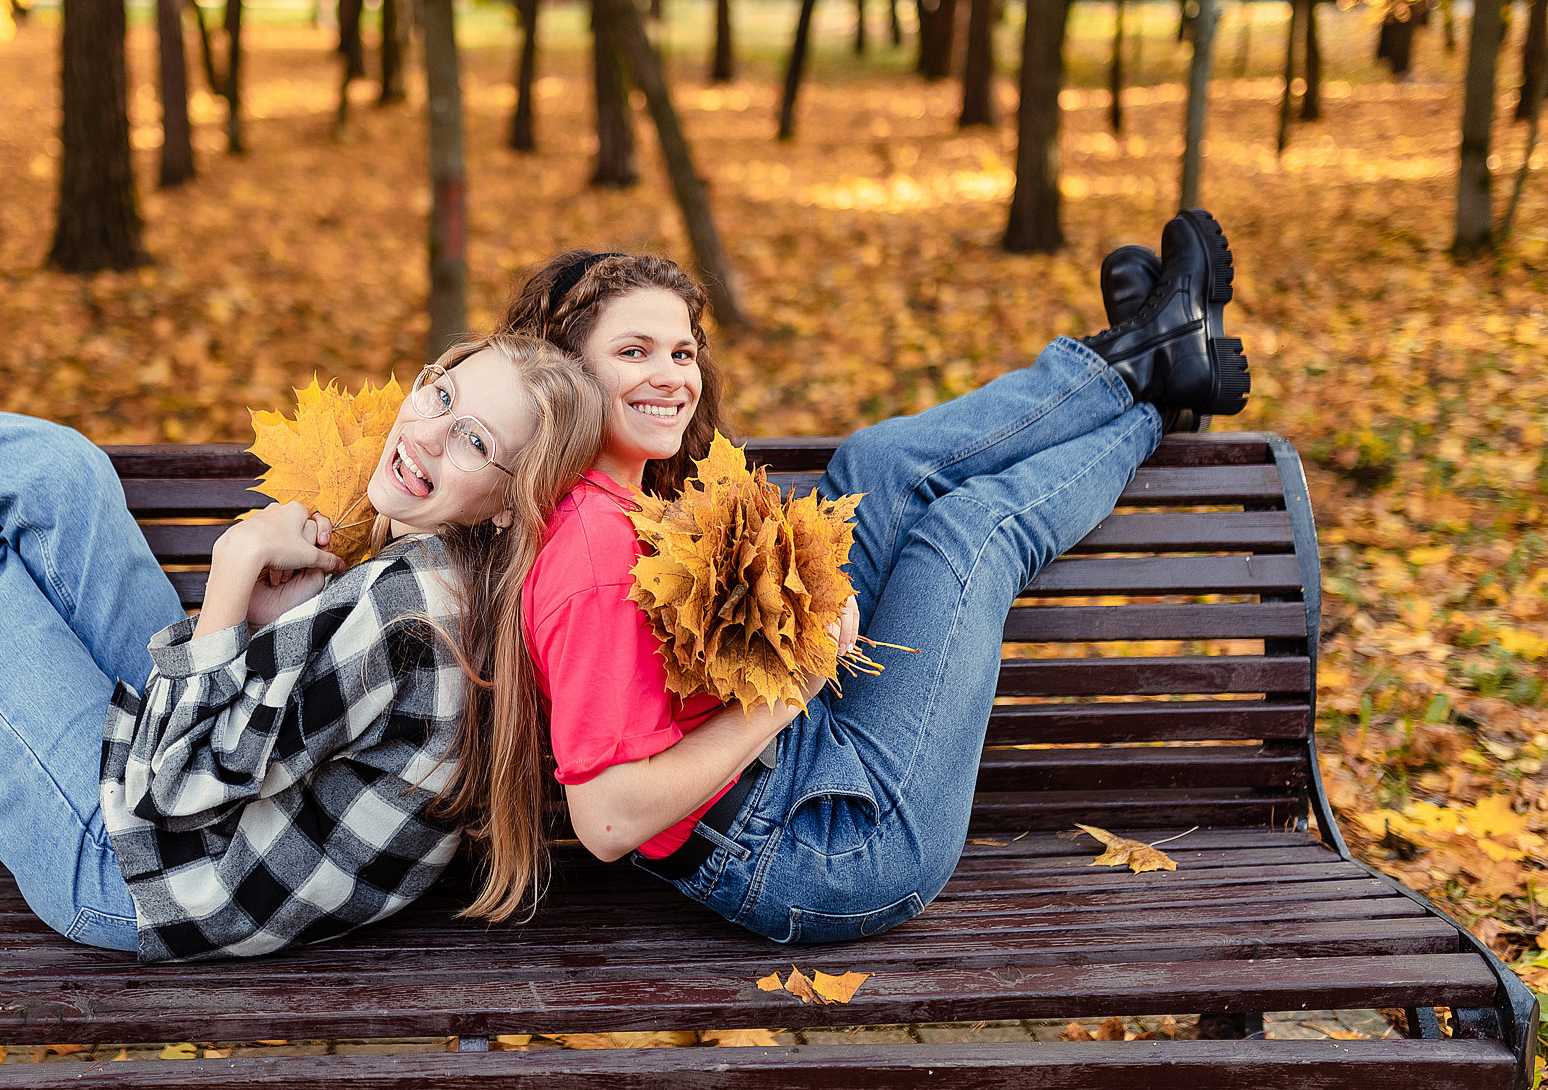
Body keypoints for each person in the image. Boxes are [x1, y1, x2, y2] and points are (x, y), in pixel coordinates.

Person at [0, 255, 603, 960]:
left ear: (511, 500)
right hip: (188, 795)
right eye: (438, 393)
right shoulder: (442, 565)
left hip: (126, 867)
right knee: (61, 474)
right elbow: (264, 735)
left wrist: (228, 575)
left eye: (473, 439)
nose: (424, 432)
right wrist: (263, 627)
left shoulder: (412, 611)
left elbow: (168, 785)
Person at [495, 212, 1252, 942]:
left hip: (793, 766)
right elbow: (606, 820)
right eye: (635, 353)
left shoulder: (626, 489)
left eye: (682, 352)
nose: (670, 376)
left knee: (876, 469)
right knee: (970, 530)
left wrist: (795, 603)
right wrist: (803, 678)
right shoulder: (592, 552)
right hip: (830, 848)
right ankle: (1158, 397)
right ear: (567, 375)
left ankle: (1134, 357)